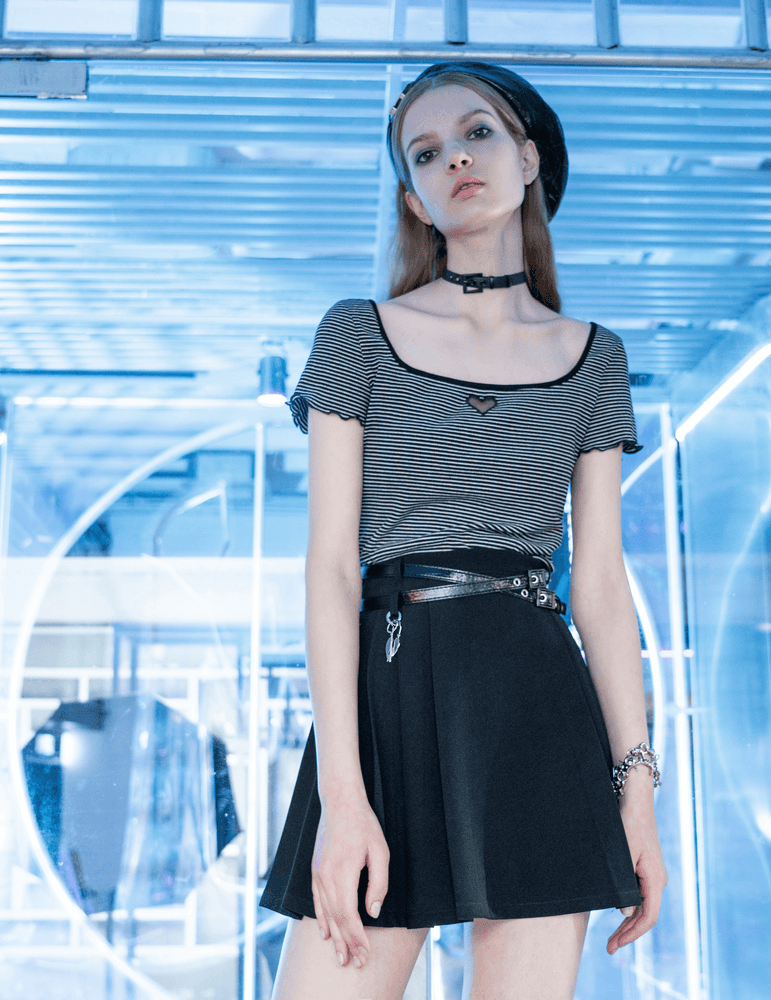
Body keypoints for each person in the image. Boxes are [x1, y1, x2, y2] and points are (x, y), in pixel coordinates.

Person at [260, 61, 668, 999]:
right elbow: (328, 570)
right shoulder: (357, 334)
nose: (456, 160)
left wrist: (635, 793)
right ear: (413, 200)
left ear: (528, 159)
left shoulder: (593, 357)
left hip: (534, 702)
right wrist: (343, 796)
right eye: (427, 152)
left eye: (477, 134)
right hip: (387, 698)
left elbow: (599, 589)